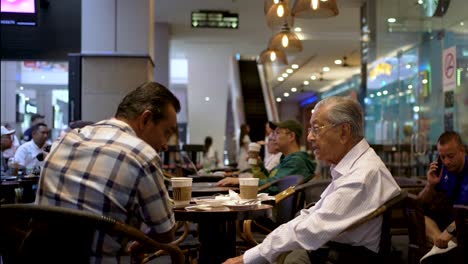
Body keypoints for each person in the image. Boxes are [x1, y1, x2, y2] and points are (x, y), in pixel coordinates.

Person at [223, 96, 400, 264]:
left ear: (344, 132)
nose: (309, 137)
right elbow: (313, 215)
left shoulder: (362, 175)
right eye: (310, 129)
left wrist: (251, 256)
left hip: (343, 257)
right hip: (332, 249)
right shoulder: (354, 166)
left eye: (316, 128)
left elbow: (313, 229)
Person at [36, 82, 181, 263]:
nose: (166, 144)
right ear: (145, 119)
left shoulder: (65, 139)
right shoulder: (142, 154)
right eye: (166, 133)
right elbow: (165, 234)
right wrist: (141, 244)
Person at [218, 120, 316, 194]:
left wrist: (240, 181)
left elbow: (274, 185)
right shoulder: (287, 159)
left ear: (291, 136)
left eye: (277, 133)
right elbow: (272, 180)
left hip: (274, 215)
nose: (273, 138)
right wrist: (259, 166)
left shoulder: (296, 161)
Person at [418, 131, 468, 250]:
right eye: (442, 157)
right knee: (418, 215)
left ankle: (443, 247)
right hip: (448, 220)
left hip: (464, 223)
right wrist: (430, 185)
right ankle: (442, 245)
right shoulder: (442, 169)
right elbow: (419, 204)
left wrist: (449, 232)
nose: (446, 162)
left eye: (450, 156)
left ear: (462, 150)